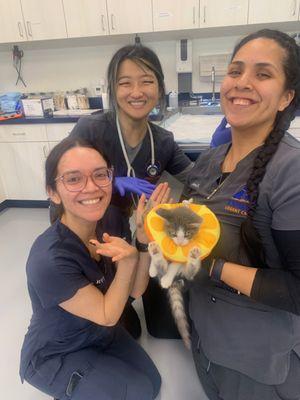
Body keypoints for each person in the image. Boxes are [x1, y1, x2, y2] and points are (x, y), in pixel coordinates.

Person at [182, 29, 300, 399]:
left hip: (254, 362)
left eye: (263, 74)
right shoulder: (211, 160)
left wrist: (210, 267)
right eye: (235, 71)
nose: (242, 83)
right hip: (205, 340)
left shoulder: (290, 172)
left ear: (286, 97)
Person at [20, 136, 170, 400]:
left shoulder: (110, 218)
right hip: (58, 350)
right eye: (74, 179)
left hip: (99, 333)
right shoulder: (49, 259)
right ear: (52, 192)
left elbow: (134, 291)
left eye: (100, 175)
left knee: (152, 383)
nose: (91, 187)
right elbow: (108, 314)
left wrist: (144, 241)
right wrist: (129, 262)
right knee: (135, 393)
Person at [67, 44, 194, 340]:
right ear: (113, 89)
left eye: (147, 81)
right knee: (109, 215)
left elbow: (195, 177)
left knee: (152, 228)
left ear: (160, 88)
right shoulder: (91, 129)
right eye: (125, 83)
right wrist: (110, 184)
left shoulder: (162, 141)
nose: (136, 91)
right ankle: (93, 300)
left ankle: (119, 300)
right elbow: (67, 175)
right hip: (83, 216)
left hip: (128, 224)